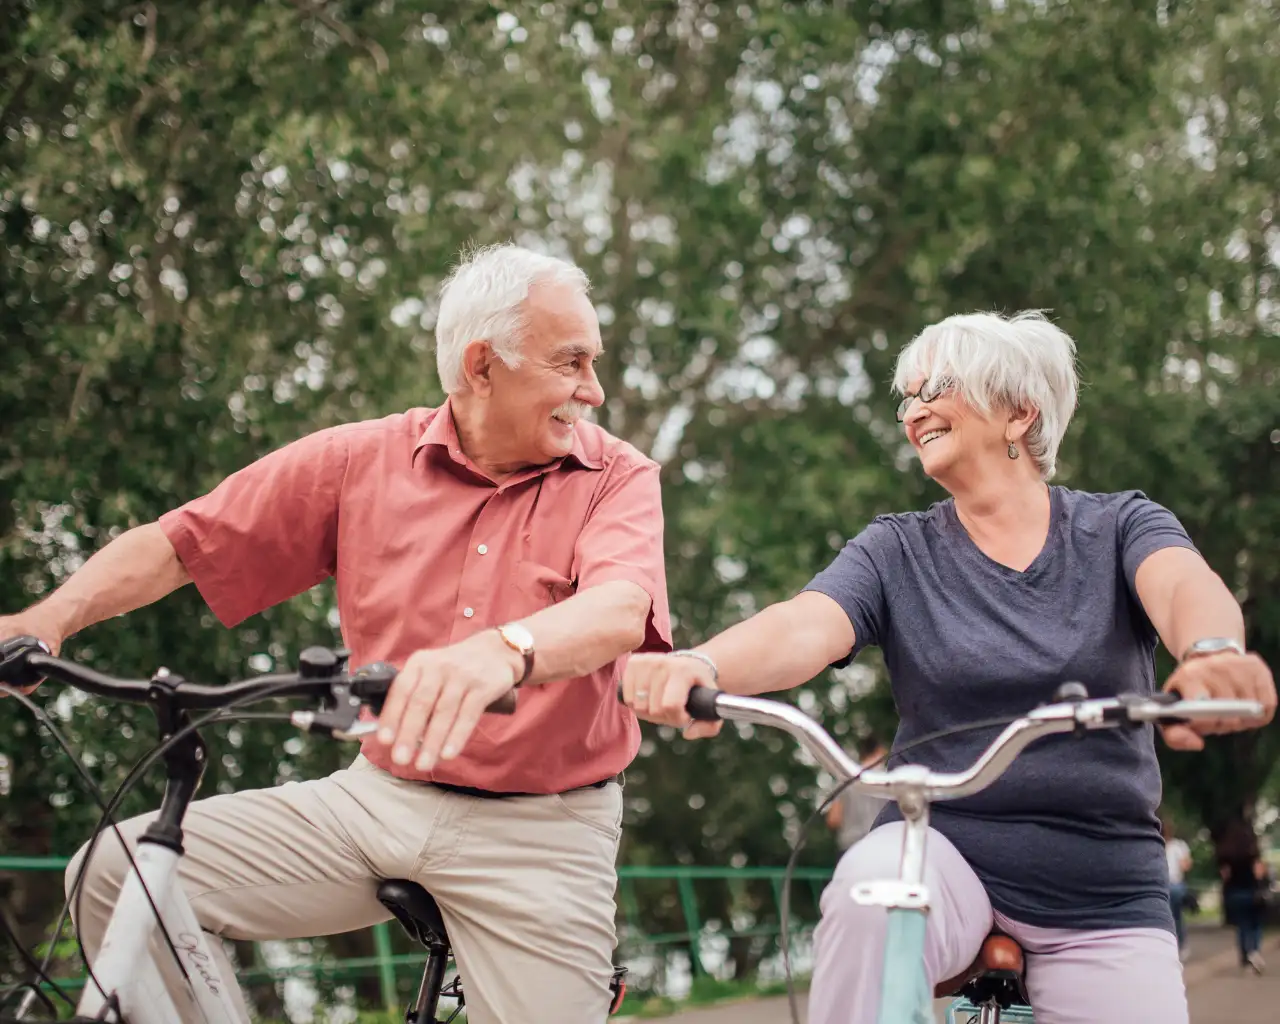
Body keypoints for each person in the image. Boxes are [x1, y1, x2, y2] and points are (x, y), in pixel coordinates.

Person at [0, 243, 672, 1024]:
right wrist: (46, 618)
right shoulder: (361, 459)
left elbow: (621, 609)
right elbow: (183, 543)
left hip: (543, 829)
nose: (593, 390)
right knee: (116, 874)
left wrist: (505, 651)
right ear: (482, 366)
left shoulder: (617, 477)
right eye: (572, 363)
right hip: (375, 800)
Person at [620, 310, 1277, 1024]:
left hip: (1101, 882)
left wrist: (1214, 654)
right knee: (870, 894)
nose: (914, 409)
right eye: (906, 396)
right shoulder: (896, 551)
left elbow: (1184, 586)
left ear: (1018, 413)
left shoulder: (1118, 526)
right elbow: (804, 623)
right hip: (942, 852)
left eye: (937, 386)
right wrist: (703, 661)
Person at [1217, 818, 1269, 973]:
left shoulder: (1226, 855)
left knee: (1242, 926)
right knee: (1256, 924)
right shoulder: (1253, 853)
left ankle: (1245, 957)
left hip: (1234, 893)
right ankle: (1255, 951)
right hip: (1252, 892)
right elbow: (1259, 873)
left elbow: (1225, 875)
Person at [825, 735, 889, 853]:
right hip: (881, 845)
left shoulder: (845, 778)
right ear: (880, 750)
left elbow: (834, 819)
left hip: (850, 848)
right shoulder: (889, 778)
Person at [1162, 816, 1193, 960]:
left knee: (1176, 916)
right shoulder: (1159, 844)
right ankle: (1172, 944)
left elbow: (1186, 865)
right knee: (1171, 916)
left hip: (1174, 884)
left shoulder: (1178, 846)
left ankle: (1179, 944)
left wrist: (1183, 862)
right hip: (1163, 884)